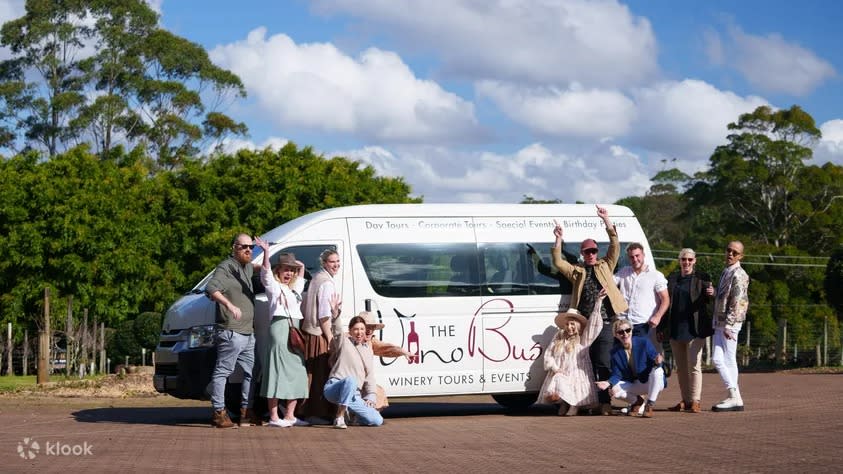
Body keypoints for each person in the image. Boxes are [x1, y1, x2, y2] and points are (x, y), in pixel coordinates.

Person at [551, 205, 629, 415]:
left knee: (602, 361)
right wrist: (558, 239)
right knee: (582, 362)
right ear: (583, 254)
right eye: (588, 251)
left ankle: (604, 402)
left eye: (594, 250)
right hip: (584, 323)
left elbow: (615, 245)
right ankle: (586, 400)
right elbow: (558, 262)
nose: (591, 254)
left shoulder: (606, 265)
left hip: (604, 323)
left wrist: (606, 220)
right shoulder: (577, 271)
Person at [205, 233, 261, 428]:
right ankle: (219, 413)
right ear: (233, 248)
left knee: (251, 373)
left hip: (247, 332)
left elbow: (259, 269)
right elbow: (211, 288)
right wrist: (229, 305)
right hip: (231, 331)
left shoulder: (246, 267)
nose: (248, 250)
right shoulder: (225, 267)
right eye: (243, 246)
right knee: (223, 372)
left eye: (251, 247)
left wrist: (270, 258)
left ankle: (246, 412)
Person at [255, 237, 310, 428]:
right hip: (279, 328)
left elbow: (302, 274)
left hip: (294, 328)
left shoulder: (294, 287)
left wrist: (298, 264)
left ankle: (290, 415)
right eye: (285, 269)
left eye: (291, 270)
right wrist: (267, 252)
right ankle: (273, 417)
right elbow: (265, 272)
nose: (289, 272)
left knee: (298, 371)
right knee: (276, 371)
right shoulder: (273, 286)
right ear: (278, 270)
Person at [658, 248, 713, 414]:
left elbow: (710, 297)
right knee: (681, 368)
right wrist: (661, 327)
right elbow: (665, 303)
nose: (686, 262)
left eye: (689, 259)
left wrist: (712, 293)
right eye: (683, 259)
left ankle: (696, 400)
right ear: (679, 261)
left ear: (694, 261)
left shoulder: (701, 278)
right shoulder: (672, 279)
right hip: (675, 329)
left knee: (694, 365)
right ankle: (686, 400)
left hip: (694, 330)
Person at [539, 289, 606, 416]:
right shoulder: (559, 336)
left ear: (578, 324)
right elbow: (549, 353)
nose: (570, 327)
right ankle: (564, 403)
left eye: (572, 324)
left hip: (577, 374)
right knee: (558, 378)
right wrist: (555, 368)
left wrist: (598, 301)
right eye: (568, 324)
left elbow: (594, 324)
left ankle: (574, 405)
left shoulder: (583, 338)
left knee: (568, 382)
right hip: (562, 371)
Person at [298, 248, 342, 422]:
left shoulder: (317, 277)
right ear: (324, 263)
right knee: (320, 374)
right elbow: (324, 316)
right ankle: (316, 412)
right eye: (332, 261)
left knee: (311, 373)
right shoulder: (326, 283)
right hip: (319, 334)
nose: (336, 265)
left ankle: (307, 410)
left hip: (309, 331)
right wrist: (330, 339)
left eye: (338, 261)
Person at [324, 309, 384, 429]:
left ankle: (353, 418)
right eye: (356, 329)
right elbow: (337, 331)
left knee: (377, 420)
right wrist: (335, 317)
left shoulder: (368, 350)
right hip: (335, 387)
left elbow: (370, 376)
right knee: (351, 380)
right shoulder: (344, 342)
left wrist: (371, 395)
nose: (359, 332)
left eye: (362, 329)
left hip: (354, 395)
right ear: (350, 331)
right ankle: (339, 417)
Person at [596, 319, 666, 418]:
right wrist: (608, 383)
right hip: (636, 383)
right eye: (620, 332)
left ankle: (649, 405)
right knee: (614, 389)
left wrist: (658, 361)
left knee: (658, 371)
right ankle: (637, 401)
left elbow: (654, 357)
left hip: (651, 381)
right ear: (615, 335)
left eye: (627, 330)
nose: (625, 334)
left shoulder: (643, 342)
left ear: (632, 331)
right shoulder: (614, 352)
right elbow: (617, 374)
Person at [711, 241, 750, 412]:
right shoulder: (727, 271)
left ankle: (734, 395)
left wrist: (729, 324)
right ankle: (735, 396)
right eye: (728, 250)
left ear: (741, 256)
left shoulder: (739, 274)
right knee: (721, 359)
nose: (730, 254)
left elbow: (739, 302)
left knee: (725, 359)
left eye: (735, 253)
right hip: (720, 322)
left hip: (729, 324)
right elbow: (725, 297)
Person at [614, 243, 670, 349]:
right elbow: (610, 283)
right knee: (623, 359)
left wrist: (657, 316)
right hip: (623, 324)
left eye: (637, 255)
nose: (635, 259)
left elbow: (665, 299)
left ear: (643, 255)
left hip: (643, 324)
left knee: (642, 360)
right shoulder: (623, 272)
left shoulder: (656, 275)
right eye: (631, 257)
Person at [361, 311, 414, 411]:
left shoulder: (371, 342)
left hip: (365, 384)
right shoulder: (348, 340)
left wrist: (403, 352)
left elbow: (386, 348)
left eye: (372, 328)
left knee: (378, 393)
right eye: (366, 327)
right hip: (350, 383)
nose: (369, 331)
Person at [527, 243, 576, 310]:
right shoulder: (561, 273)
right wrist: (533, 254)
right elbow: (542, 268)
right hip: (564, 302)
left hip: (572, 304)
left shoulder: (579, 272)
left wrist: (533, 254)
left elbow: (541, 268)